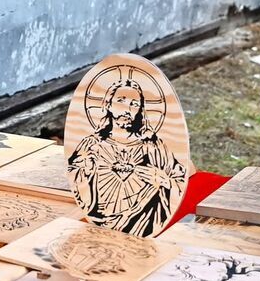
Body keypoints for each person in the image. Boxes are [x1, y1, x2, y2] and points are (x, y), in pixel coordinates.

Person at [67, 78, 188, 236]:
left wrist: (163, 180)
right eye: (121, 100)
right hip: (96, 226)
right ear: (108, 104)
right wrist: (85, 172)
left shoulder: (153, 147)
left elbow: (179, 179)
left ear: (140, 110)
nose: (127, 109)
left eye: (134, 104)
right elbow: (73, 176)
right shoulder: (91, 145)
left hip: (142, 225)